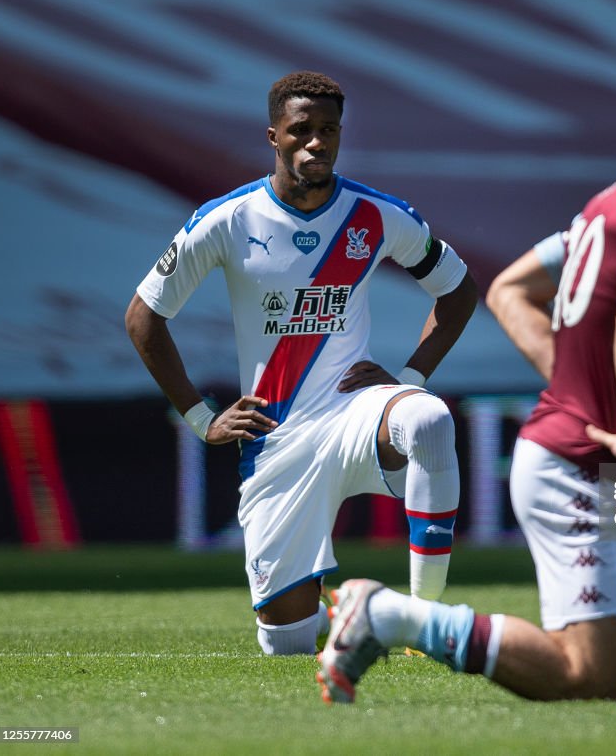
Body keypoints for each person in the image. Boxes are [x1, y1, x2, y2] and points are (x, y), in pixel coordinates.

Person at [317, 54, 616, 704]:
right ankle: (388, 615)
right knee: (587, 679)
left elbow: (511, 291)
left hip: (584, 440)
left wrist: (583, 391)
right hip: (579, 465)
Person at [126, 71, 477, 657]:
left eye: (329, 130)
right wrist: (200, 418)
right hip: (276, 435)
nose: (317, 143)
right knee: (286, 643)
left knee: (429, 420)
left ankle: (424, 623)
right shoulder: (227, 220)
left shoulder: (376, 214)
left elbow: (459, 290)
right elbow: (144, 316)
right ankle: (344, 616)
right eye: (301, 130)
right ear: (273, 136)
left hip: (354, 410)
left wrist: (411, 378)